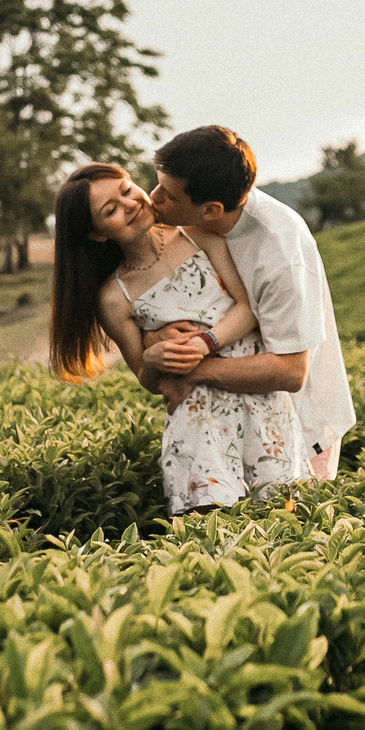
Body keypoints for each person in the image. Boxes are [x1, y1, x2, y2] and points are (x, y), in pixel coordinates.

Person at [48, 161, 308, 514]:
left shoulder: (197, 234)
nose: (130, 204)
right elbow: (150, 380)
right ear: (96, 233)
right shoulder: (114, 297)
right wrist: (152, 360)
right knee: (212, 528)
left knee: (283, 517)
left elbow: (248, 308)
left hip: (259, 399)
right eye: (111, 210)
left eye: (127, 190)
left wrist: (205, 343)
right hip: (197, 423)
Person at [144, 125, 356, 481]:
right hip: (226, 417)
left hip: (298, 425)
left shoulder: (279, 253)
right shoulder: (193, 222)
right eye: (157, 184)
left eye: (169, 195)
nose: (154, 198)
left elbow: (291, 371)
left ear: (211, 210)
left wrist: (188, 370)